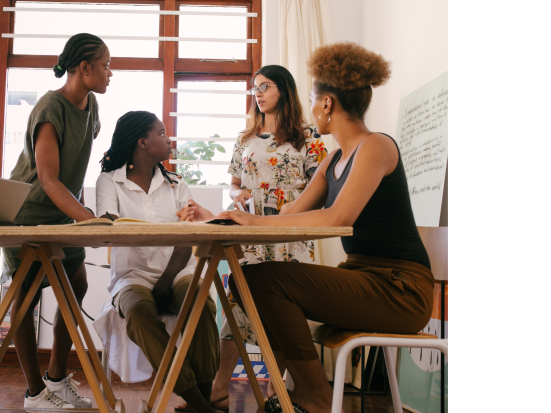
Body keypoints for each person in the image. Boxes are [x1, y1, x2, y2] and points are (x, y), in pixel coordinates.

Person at [179, 42, 434, 413]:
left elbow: (337, 218)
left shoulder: (376, 146)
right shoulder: (334, 159)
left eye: (314, 99)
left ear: (327, 103)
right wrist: (218, 217)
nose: (312, 107)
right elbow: (284, 220)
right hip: (364, 277)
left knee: (265, 281)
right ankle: (305, 392)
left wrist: (249, 218)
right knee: (251, 280)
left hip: (399, 288)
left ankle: (313, 394)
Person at [177, 65, 328, 412]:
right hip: (249, 233)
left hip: (290, 234)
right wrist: (238, 195)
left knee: (284, 314)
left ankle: (274, 395)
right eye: (254, 88)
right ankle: (218, 390)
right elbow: (234, 183)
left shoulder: (309, 138)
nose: (258, 94)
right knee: (235, 308)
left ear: (284, 90)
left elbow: (322, 188)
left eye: (265, 86)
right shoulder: (244, 138)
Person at [1, 33, 112, 410]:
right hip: (28, 214)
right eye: (106, 66)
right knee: (27, 298)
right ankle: (34, 393)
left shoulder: (91, 106)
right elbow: (47, 179)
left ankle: (57, 379)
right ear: (84, 68)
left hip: (64, 214)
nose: (111, 73)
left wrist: (83, 216)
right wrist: (91, 220)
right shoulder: (50, 106)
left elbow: (77, 168)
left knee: (75, 286)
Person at [96, 111, 221, 413]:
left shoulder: (176, 183)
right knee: (139, 315)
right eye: (162, 133)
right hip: (132, 277)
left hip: (177, 273)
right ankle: (201, 405)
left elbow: (185, 240)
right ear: (142, 142)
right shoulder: (110, 182)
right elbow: (109, 230)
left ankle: (198, 404)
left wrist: (165, 281)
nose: (169, 139)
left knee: (202, 305)